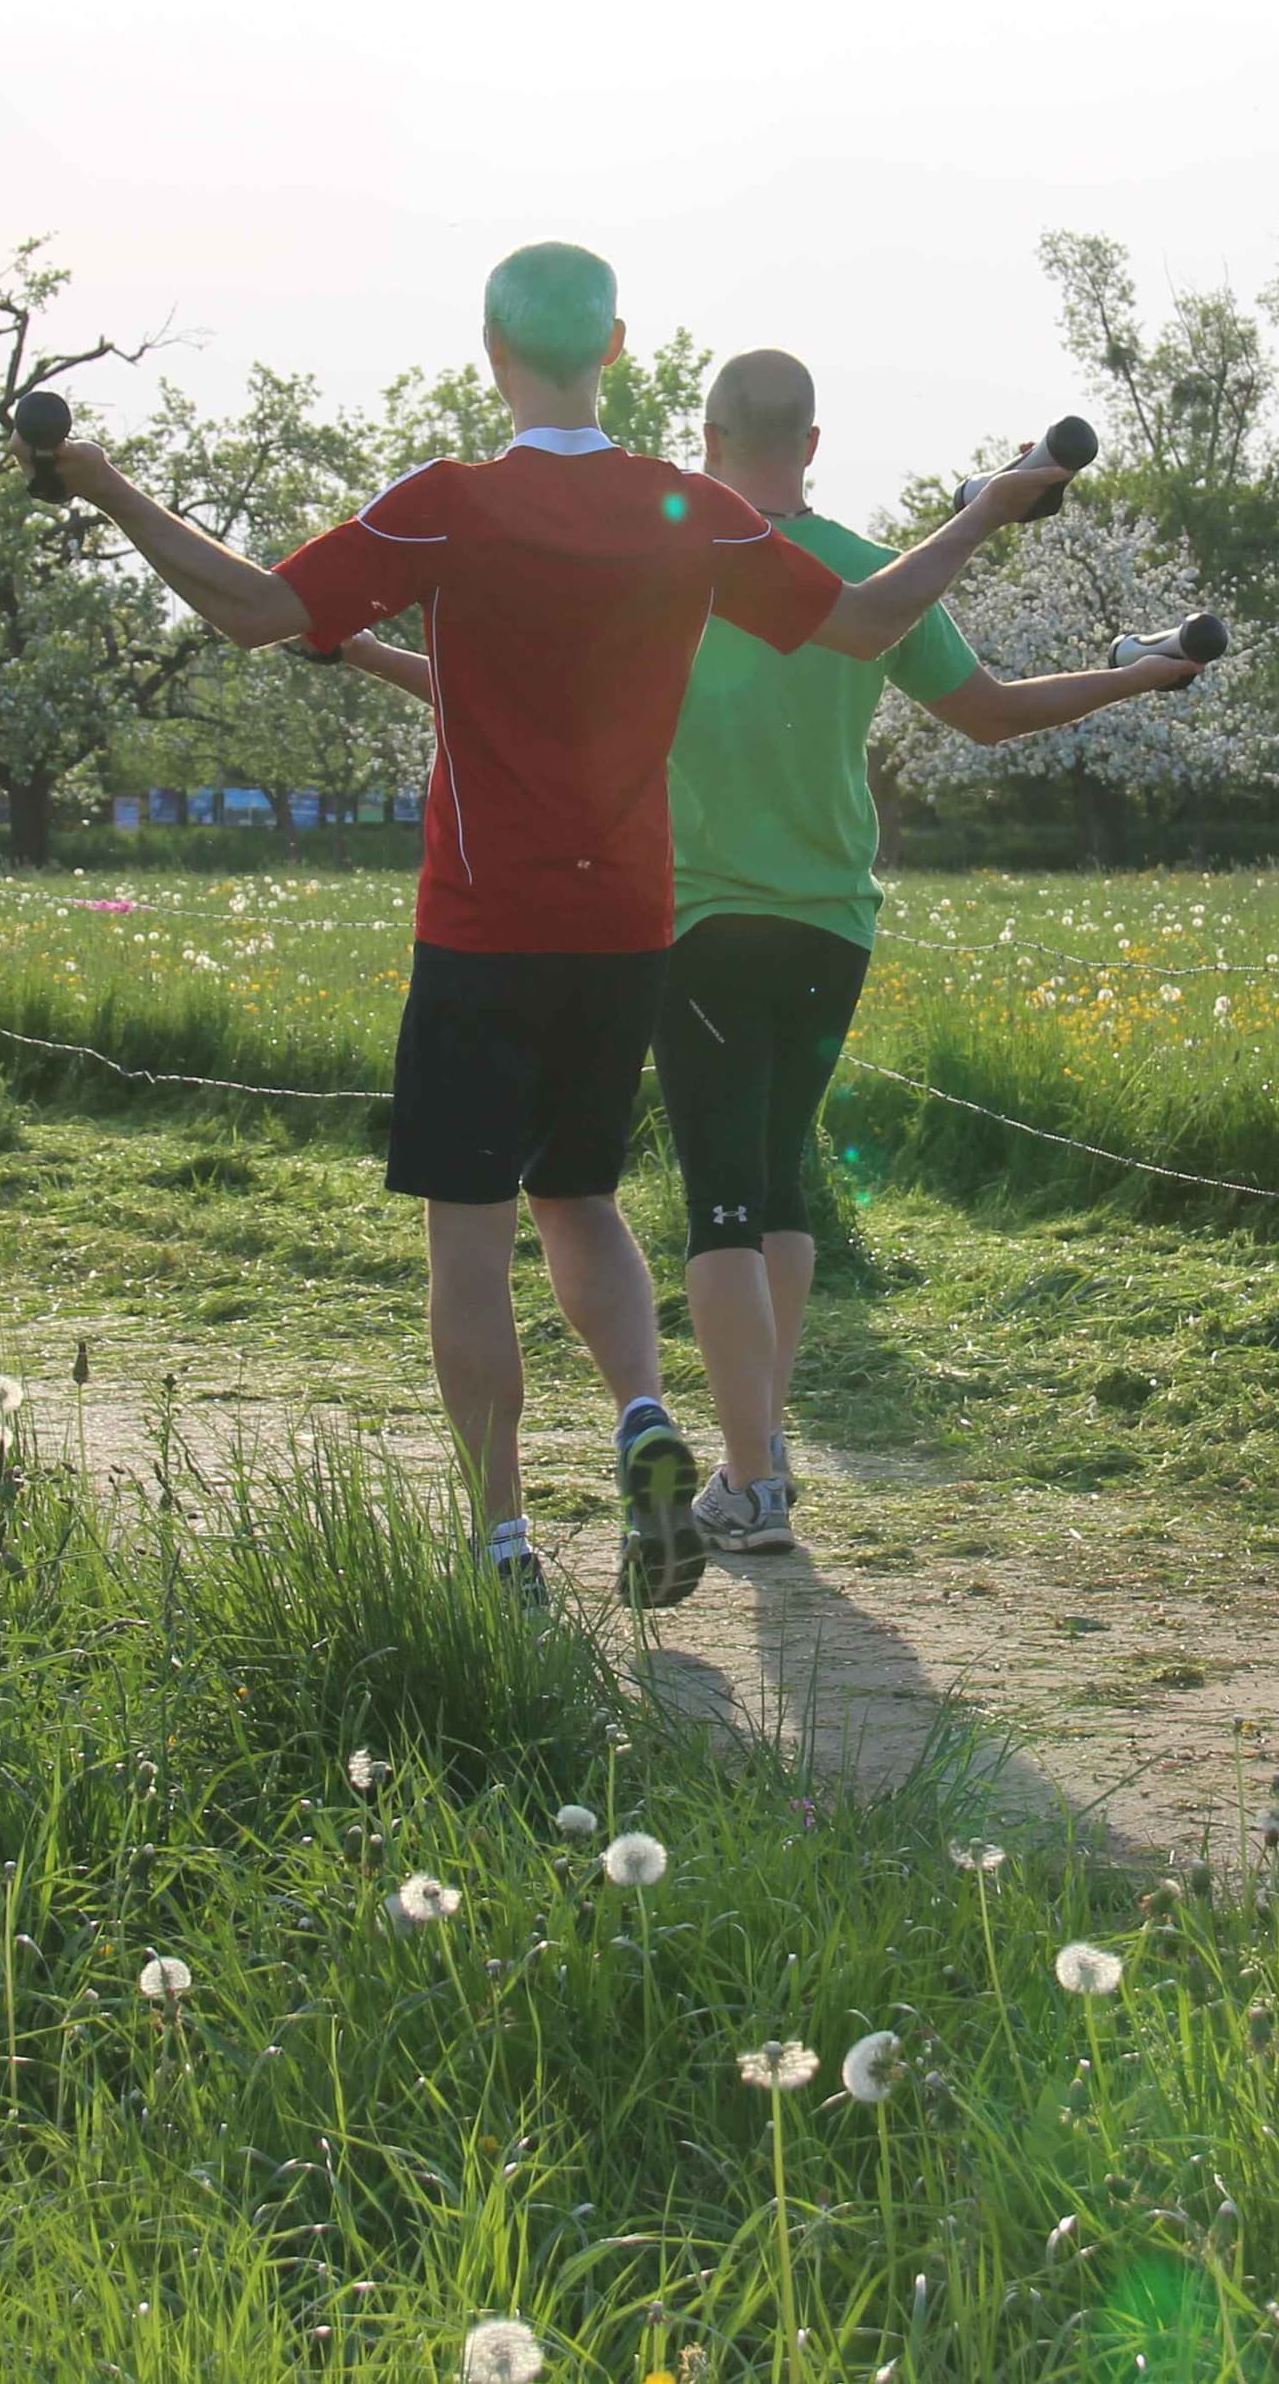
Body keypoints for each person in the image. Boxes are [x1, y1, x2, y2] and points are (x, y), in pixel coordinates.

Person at [29, 245, 1062, 1608]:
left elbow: (258, 611)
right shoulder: (683, 507)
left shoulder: (449, 505)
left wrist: (104, 483)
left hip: (484, 922)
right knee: (576, 1193)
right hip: (628, 929)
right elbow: (871, 620)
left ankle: (506, 1541)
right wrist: (983, 510)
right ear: (619, 348)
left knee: (471, 1230)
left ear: (488, 352)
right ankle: (641, 1413)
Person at [334, 346, 1211, 1553]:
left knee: (722, 1205)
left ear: (704, 441)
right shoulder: (863, 574)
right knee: (779, 1184)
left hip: (692, 923)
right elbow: (994, 715)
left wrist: (367, 650)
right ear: (809, 444)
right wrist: (1136, 677)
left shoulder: (677, 564)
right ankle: (763, 1451)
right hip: (833, 921)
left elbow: (514, 699)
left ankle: (750, 1477)